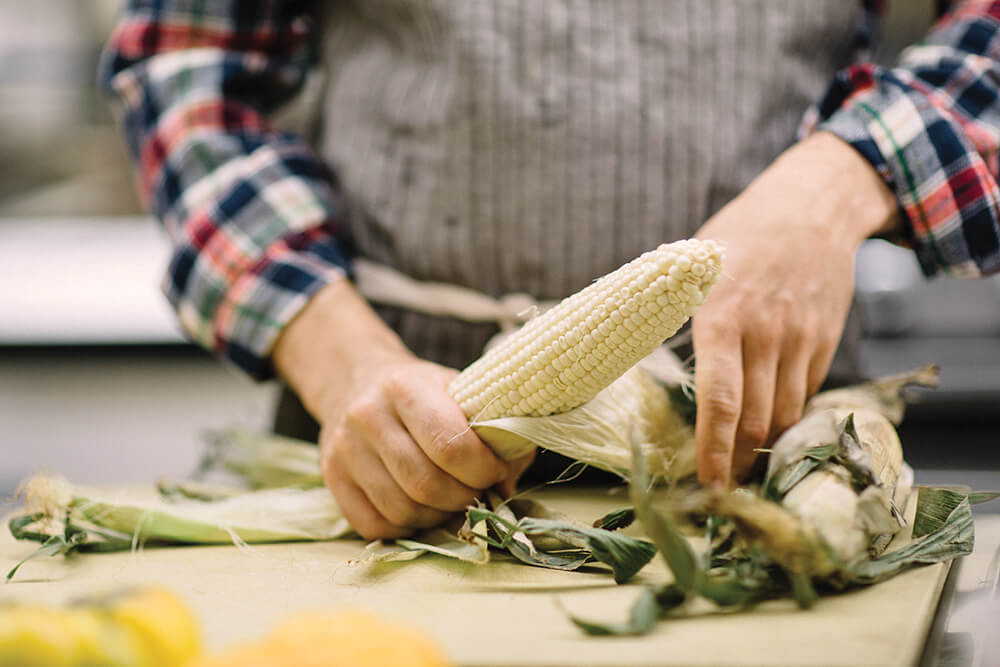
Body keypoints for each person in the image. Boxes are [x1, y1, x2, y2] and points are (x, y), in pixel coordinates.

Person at [100, 1, 1000, 540]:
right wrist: (345, 361)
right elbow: (191, 62)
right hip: (387, 457)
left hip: (763, 443)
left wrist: (842, 180)